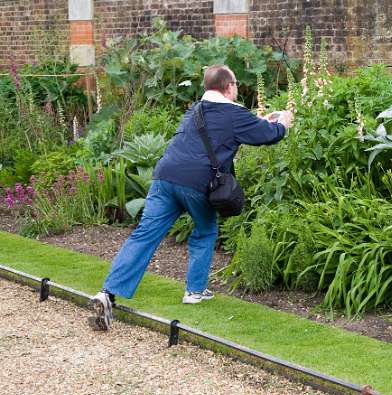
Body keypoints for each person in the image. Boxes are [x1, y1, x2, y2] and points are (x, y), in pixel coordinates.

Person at [89, 64, 292, 331]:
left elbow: (226, 130)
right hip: (197, 183)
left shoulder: (194, 110)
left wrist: (258, 121)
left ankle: (108, 293)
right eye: (235, 86)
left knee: (144, 235)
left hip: (164, 178)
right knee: (205, 231)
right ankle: (194, 291)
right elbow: (268, 135)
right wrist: (284, 123)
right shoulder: (233, 113)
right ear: (229, 87)